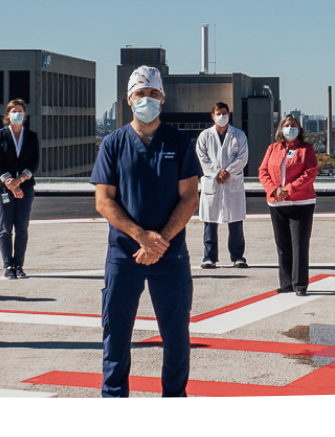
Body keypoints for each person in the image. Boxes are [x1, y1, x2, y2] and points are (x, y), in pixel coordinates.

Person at [90, 66, 201, 398]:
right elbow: (103, 201)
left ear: (162, 98)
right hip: (124, 255)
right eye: (141, 94)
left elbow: (189, 197)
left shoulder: (179, 142)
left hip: (171, 255)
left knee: (177, 336)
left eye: (153, 94)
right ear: (129, 100)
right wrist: (141, 236)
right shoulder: (113, 144)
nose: (147, 100)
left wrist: (160, 241)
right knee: (116, 335)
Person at [260, 114, 318, 296]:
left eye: (293, 125)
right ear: (281, 128)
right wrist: (274, 190)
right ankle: (286, 282)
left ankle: (300, 284)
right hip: (277, 204)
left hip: (301, 203)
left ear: (299, 129)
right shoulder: (272, 148)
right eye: (287, 125)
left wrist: (289, 190)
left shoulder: (306, 149)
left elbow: (310, 172)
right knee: (283, 245)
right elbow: (263, 172)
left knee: (299, 244)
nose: (290, 128)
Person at [195, 102, 249, 269]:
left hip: (232, 182)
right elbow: (202, 157)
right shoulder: (205, 136)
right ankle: (209, 257)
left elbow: (242, 157)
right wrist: (217, 173)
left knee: (236, 222)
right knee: (210, 222)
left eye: (224, 113)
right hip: (213, 182)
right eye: (218, 113)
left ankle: (238, 256)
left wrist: (228, 172)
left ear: (229, 115)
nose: (221, 116)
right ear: (213, 116)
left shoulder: (239, 135)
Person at [0, 99, 40, 279]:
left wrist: (20, 180)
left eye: (20, 111)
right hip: (3, 188)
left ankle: (19, 265)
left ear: (25, 115)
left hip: (25, 188)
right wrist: (10, 183)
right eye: (14, 111)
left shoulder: (31, 136)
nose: (17, 114)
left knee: (21, 228)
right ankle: (8, 266)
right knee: (5, 228)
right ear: (8, 115)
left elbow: (34, 162)